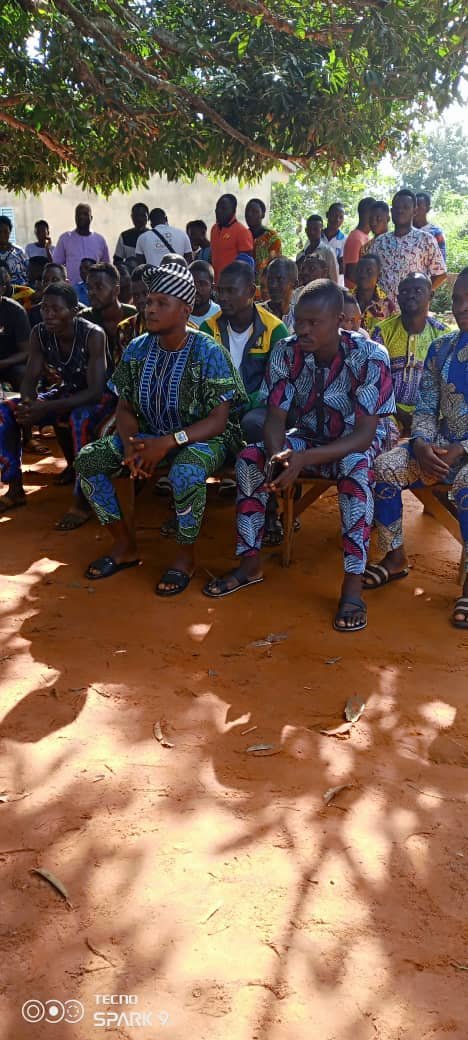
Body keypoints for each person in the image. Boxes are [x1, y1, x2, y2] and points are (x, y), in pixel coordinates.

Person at [204, 280, 395, 632]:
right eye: (298, 321)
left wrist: (304, 460)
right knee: (250, 459)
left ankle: (352, 587)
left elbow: (366, 434)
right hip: (306, 436)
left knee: (356, 474)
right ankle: (249, 564)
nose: (302, 330)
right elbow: (275, 419)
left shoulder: (370, 356)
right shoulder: (286, 352)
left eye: (313, 323)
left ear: (339, 319)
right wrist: (280, 457)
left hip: (354, 441)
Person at [74, 262, 247, 595]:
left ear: (184, 311)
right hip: (149, 434)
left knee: (185, 471)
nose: (149, 309)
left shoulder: (208, 351)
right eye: (149, 302)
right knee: (89, 460)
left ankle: (185, 557)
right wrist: (129, 445)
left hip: (204, 436)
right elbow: (124, 406)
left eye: (160, 303)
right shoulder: (138, 349)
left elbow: (219, 420)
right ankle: (125, 546)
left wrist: (169, 442)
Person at [363, 267, 468, 630]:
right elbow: (425, 405)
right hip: (437, 449)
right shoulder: (443, 348)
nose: (462, 307)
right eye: (457, 300)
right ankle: (395, 558)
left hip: (462, 455)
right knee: (382, 467)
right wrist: (421, 443)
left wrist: (461, 448)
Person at [0, 283, 114, 526]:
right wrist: (28, 405)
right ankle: (15, 488)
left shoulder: (93, 334)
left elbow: (95, 391)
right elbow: (30, 378)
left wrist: (46, 408)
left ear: (74, 310)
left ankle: (83, 501)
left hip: (102, 398)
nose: (49, 315)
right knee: (6, 412)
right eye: (45, 309)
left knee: (80, 419)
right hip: (66, 392)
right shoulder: (40, 333)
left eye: (56, 309)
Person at [200, 260, 288, 442]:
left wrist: (244, 404)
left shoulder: (274, 330)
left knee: (252, 424)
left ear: (250, 292)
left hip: (259, 407)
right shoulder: (208, 329)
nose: (222, 297)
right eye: (220, 291)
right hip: (217, 407)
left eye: (230, 291)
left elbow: (279, 384)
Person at [372, 272, 446, 436]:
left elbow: (446, 385)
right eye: (404, 292)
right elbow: (374, 381)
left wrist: (423, 417)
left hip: (430, 414)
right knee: (380, 432)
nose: (411, 295)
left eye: (418, 290)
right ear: (398, 298)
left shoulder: (443, 336)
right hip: (388, 412)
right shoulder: (382, 332)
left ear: (431, 295)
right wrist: (400, 414)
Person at [369, 189, 447, 306]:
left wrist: (422, 295)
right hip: (382, 311)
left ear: (414, 211)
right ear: (392, 211)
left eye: (406, 207)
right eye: (397, 207)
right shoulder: (380, 242)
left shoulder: (426, 240)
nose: (400, 210)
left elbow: (441, 274)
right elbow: (370, 273)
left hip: (412, 311)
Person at [82, 262, 136, 363]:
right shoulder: (84, 319)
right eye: (89, 288)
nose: (91, 293)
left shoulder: (134, 316)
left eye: (99, 287)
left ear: (116, 290)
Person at [53, 204, 110, 285]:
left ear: (91, 218)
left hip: (95, 291)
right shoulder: (65, 238)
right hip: (71, 291)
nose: (81, 217)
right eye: (78, 214)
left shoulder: (100, 240)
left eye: (85, 214)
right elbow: (56, 266)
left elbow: (106, 267)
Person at [210, 194, 253, 284]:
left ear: (233, 211)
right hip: (215, 284)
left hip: (232, 285)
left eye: (224, 208)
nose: (219, 211)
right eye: (217, 208)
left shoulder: (242, 231)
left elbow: (246, 265)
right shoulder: (214, 229)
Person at [244, 198, 281, 298]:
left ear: (263, 214)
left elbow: (275, 264)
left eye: (254, 211)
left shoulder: (271, 237)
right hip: (243, 289)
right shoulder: (243, 236)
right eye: (247, 211)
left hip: (264, 290)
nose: (250, 214)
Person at [0, 277, 30, 392]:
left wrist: (3, 363)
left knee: (21, 372)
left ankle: (24, 406)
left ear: (2, 289)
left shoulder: (16, 311)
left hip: (9, 364)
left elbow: (26, 351)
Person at [353, 254, 396, 332]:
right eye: (360, 270)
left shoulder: (387, 306)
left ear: (378, 276)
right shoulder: (344, 300)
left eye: (369, 271)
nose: (363, 275)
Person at [343, 197, 376, 288]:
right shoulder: (356, 238)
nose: (375, 219)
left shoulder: (365, 237)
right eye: (374, 214)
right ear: (365, 214)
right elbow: (351, 274)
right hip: (356, 295)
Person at [296, 215, 339, 282]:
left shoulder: (328, 252)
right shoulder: (301, 255)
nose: (312, 232)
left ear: (321, 231)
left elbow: (334, 279)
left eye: (315, 229)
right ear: (306, 231)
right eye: (309, 229)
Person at [118, 265, 149, 351]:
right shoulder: (125, 328)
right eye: (135, 295)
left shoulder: (177, 327)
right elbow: (123, 362)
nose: (141, 300)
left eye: (145, 293)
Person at [28, 262, 68, 328]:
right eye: (46, 280)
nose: (49, 284)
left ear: (66, 283)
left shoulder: (76, 311)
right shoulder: (32, 313)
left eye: (55, 280)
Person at [264, 257, 298, 333]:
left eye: (279, 279)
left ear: (295, 284)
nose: (273, 285)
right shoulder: (256, 313)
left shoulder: (299, 317)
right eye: (270, 279)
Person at [413, 192, 446, 262]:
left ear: (428, 209)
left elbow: (441, 261)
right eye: (413, 206)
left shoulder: (436, 233)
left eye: (419, 207)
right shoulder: (404, 231)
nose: (415, 210)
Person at [189, 260, 220, 327]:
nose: (196, 289)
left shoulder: (219, 315)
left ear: (212, 288)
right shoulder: (179, 315)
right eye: (192, 283)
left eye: (202, 284)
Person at [0, 215, 28, 285]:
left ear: (10, 232)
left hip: (22, 291)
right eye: (0, 232)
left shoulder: (19, 252)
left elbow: (28, 273)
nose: (2, 235)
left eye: (6, 231)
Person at [322, 202, 346, 281]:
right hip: (315, 282)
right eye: (334, 215)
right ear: (327, 215)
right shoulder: (317, 236)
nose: (337, 220)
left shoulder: (344, 240)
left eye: (341, 217)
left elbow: (342, 267)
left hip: (335, 284)